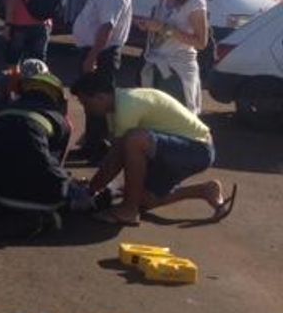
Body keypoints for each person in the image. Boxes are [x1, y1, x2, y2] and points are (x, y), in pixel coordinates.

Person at [70, 72, 235, 226]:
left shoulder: (128, 105)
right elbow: (116, 157)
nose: (86, 109)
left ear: (100, 97)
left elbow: (116, 157)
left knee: (135, 140)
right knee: (144, 199)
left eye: (86, 103)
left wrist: (91, 190)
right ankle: (205, 190)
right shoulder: (116, 107)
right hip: (179, 149)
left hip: (197, 150)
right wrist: (93, 187)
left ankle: (129, 210)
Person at [0, 73, 73, 208]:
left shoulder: (5, 111)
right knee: (70, 187)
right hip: (35, 196)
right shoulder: (57, 119)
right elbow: (55, 161)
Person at [70, 0, 132, 161]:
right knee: (91, 102)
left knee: (98, 103)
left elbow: (107, 27)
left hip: (102, 53)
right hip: (97, 51)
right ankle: (92, 145)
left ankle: (99, 149)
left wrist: (92, 56)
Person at [137, 0, 208, 113]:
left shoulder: (194, 1)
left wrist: (163, 28)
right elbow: (161, 30)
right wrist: (149, 25)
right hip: (158, 66)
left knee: (178, 121)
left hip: (178, 72)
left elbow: (201, 42)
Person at [0, 58, 50, 136]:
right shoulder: (3, 80)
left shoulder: (50, 88)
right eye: (28, 82)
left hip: (35, 128)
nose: (31, 86)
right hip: (7, 124)